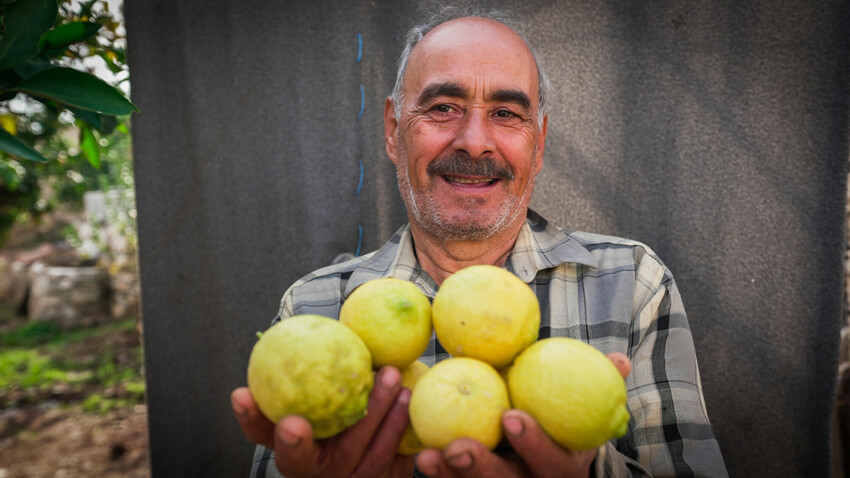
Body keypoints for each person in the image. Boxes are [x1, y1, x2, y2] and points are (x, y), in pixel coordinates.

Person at [231, 6, 728, 478]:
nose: (474, 140)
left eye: (507, 113)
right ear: (392, 129)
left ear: (539, 143)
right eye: (443, 107)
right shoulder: (314, 309)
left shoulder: (633, 283)